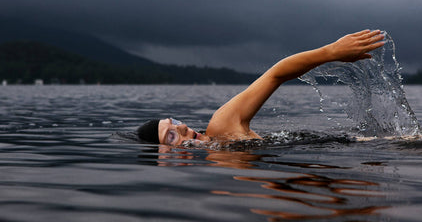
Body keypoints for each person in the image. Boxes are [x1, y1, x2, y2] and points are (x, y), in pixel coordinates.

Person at [137, 29, 385, 146]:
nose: (182, 126)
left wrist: (330, 52)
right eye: (171, 135)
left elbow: (275, 75)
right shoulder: (219, 170)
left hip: (366, 145)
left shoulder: (222, 127)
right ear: (164, 158)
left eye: (175, 122)